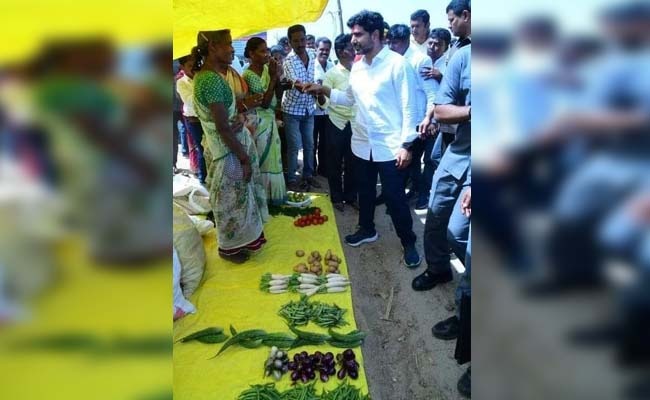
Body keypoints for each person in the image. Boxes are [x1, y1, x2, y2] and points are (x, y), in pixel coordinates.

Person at [305, 10, 422, 268]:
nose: (353, 39)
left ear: (376, 35)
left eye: (358, 34)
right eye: (353, 34)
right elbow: (348, 99)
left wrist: (406, 144)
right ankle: (367, 229)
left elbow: (409, 107)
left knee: (394, 197)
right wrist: (324, 89)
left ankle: (408, 240)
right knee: (365, 191)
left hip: (390, 146)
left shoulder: (397, 64)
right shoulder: (357, 66)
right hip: (361, 142)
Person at [191, 30, 269, 263]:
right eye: (227, 44)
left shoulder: (211, 76)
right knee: (231, 199)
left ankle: (240, 242)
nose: (232, 49)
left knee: (237, 197)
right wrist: (244, 158)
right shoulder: (210, 80)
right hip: (228, 152)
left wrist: (236, 115)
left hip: (227, 146)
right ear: (213, 47)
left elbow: (225, 116)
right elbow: (223, 127)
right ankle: (230, 248)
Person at [412, 0, 471, 291]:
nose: (449, 23)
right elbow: (440, 104)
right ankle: (438, 268)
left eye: (451, 19)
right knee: (436, 215)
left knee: (460, 232)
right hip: (456, 145)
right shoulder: (460, 54)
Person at [387, 24, 437, 210]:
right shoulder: (392, 60)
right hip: (399, 121)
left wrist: (428, 119)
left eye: (396, 42)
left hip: (419, 122)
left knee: (419, 161)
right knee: (408, 162)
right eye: (390, 42)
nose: (392, 46)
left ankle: (421, 194)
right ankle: (408, 192)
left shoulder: (420, 60)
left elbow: (432, 93)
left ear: (406, 41)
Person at [315, 33, 358, 212]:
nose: (355, 50)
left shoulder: (359, 70)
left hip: (356, 123)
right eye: (351, 48)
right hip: (335, 123)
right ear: (342, 52)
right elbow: (322, 103)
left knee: (352, 162)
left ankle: (350, 196)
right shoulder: (331, 74)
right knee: (334, 162)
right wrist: (318, 93)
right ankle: (337, 197)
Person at [242, 37, 287, 205]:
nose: (267, 54)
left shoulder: (269, 69)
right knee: (263, 158)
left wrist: (279, 77)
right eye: (262, 51)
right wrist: (274, 78)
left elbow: (277, 95)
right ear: (251, 54)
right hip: (259, 122)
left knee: (274, 159)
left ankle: (272, 196)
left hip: (270, 120)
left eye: (267, 50)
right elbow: (266, 102)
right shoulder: (249, 74)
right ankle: (261, 199)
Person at [282, 24, 320, 191]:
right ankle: (291, 179)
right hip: (292, 110)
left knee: (310, 145)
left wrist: (318, 86)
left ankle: (308, 175)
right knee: (294, 146)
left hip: (309, 109)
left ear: (306, 39)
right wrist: (315, 88)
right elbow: (297, 84)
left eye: (302, 39)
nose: (300, 43)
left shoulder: (313, 54)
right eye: (295, 41)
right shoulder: (288, 61)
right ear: (290, 42)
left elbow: (318, 78)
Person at [176, 54, 207, 184]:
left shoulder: (202, 78)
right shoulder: (181, 82)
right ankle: (203, 177)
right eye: (190, 66)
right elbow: (191, 101)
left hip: (207, 118)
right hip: (194, 120)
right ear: (182, 67)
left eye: (195, 65)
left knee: (210, 148)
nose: (194, 68)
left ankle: (209, 175)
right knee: (201, 148)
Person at [313, 36, 334, 177]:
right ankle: (311, 169)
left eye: (327, 50)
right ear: (315, 49)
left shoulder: (332, 66)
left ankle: (323, 169)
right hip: (314, 111)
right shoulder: (311, 66)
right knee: (312, 142)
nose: (324, 52)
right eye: (321, 49)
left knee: (326, 143)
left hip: (328, 111)